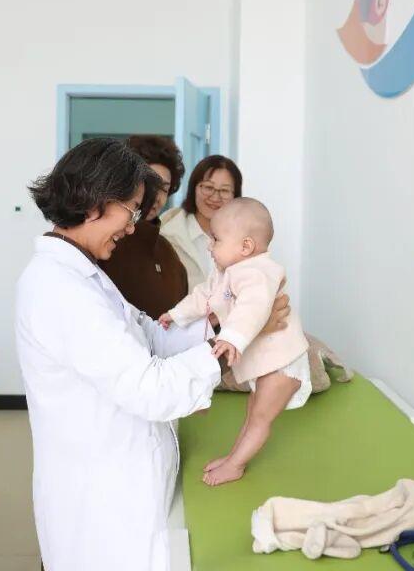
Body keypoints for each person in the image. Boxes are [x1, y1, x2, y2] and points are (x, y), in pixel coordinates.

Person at [15, 139, 289, 571]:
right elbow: (150, 388)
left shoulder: (85, 275)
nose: (132, 226)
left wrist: (228, 326)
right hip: (103, 503)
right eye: (131, 210)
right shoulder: (60, 290)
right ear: (95, 202)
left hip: (124, 484)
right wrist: (233, 344)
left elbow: (149, 338)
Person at [160, 198, 309, 486]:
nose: (209, 246)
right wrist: (176, 315)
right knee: (252, 413)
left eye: (215, 239)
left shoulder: (258, 272)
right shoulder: (226, 273)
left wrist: (231, 338)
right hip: (268, 362)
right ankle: (233, 458)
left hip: (284, 362)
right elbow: (203, 297)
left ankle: (236, 465)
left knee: (260, 418)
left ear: (246, 246)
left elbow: (253, 308)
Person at [98, 135, 189, 318]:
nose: (156, 196)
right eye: (149, 183)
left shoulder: (168, 252)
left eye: (164, 188)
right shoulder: (104, 242)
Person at [160, 154, 243, 290]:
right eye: (208, 187)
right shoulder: (168, 235)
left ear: (235, 196)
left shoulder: (245, 239)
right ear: (194, 188)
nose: (215, 197)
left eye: (224, 190)